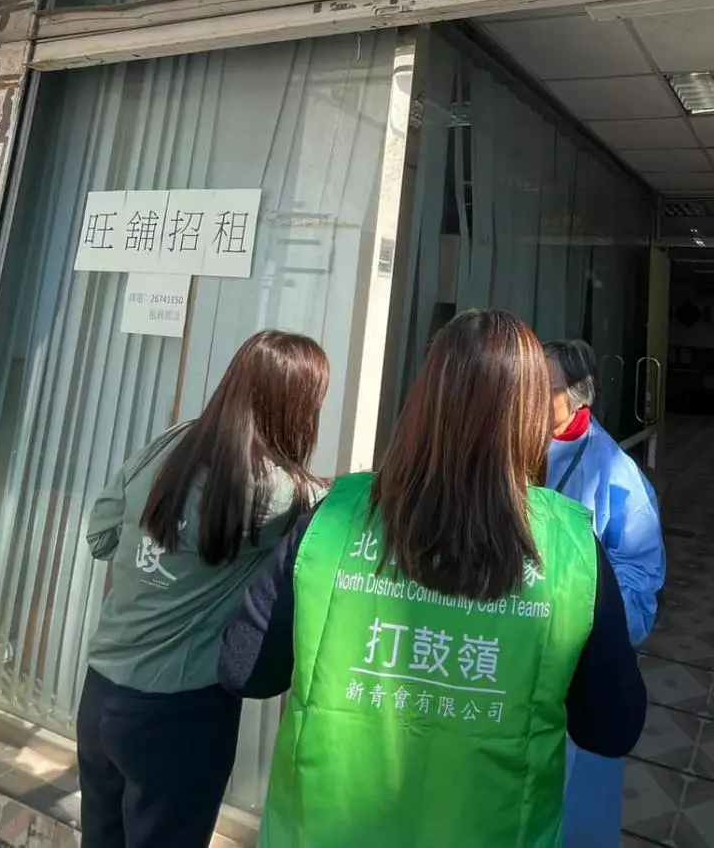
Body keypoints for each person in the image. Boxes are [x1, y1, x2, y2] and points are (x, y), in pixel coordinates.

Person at [220, 309, 647, 848]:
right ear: (529, 414)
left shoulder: (335, 518)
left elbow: (244, 669)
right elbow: (612, 728)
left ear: (424, 401)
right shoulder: (572, 548)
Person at [78, 331, 330, 848]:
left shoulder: (170, 444)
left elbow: (101, 536)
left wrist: (159, 559)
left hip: (100, 694)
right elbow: (344, 510)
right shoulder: (284, 494)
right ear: (297, 407)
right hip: (178, 716)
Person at [544, 339, 665, 847]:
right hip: (507, 665)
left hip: (574, 673)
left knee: (571, 817)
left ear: (577, 397)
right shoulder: (507, 444)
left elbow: (638, 598)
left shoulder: (617, 476)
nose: (526, 396)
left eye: (542, 387)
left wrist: (572, 613)